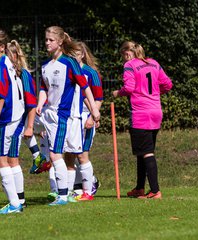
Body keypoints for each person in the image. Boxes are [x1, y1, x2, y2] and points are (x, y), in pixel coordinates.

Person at [36, 26, 100, 206]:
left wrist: (94, 110)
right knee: (54, 152)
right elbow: (43, 88)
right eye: (46, 40)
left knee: (56, 154)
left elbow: (84, 86)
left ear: (60, 42)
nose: (47, 43)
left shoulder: (69, 63)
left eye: (51, 40)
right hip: (48, 114)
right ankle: (65, 192)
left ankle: (63, 195)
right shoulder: (45, 65)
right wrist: (40, 103)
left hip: (63, 116)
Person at [112, 40, 172, 199]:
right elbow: (167, 84)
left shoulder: (130, 65)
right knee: (142, 151)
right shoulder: (154, 63)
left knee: (146, 152)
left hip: (140, 113)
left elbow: (130, 87)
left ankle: (155, 190)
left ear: (127, 52)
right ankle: (139, 188)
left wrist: (118, 93)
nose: (123, 59)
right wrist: (153, 94)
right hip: (156, 111)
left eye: (122, 55)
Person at [0, 28, 32, 214]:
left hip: (7, 119)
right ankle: (20, 200)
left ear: (1, 47)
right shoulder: (10, 63)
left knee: (0, 160)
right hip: (18, 117)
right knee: (13, 160)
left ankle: (14, 204)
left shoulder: (1, 64)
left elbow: (2, 95)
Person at [64, 41, 103, 202]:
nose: (73, 57)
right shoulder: (66, 71)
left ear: (82, 54)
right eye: (71, 54)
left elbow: (98, 98)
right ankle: (68, 191)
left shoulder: (90, 73)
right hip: (70, 118)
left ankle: (89, 189)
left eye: (76, 54)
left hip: (85, 117)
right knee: (69, 155)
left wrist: (91, 117)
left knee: (82, 154)